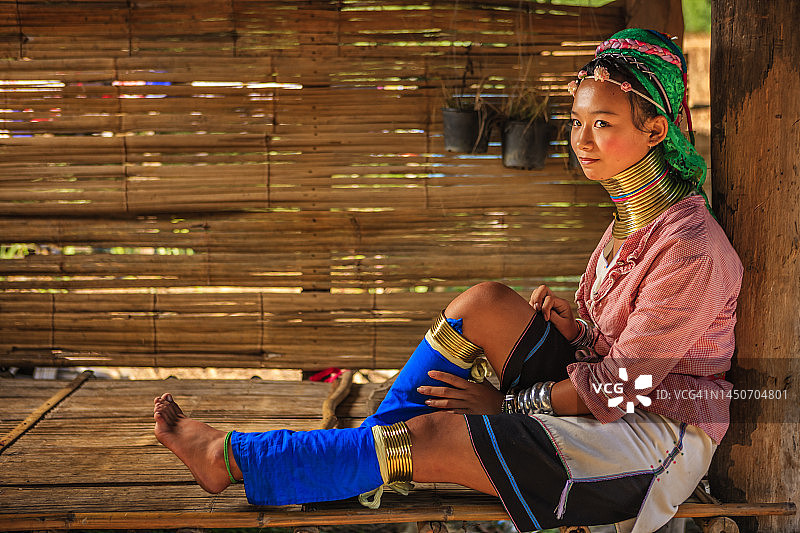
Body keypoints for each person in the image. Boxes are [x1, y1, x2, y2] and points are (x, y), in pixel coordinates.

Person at [153, 29, 743, 533]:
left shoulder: (692, 249)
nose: (581, 140)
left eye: (603, 124)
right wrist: (579, 329)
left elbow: (618, 392)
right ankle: (358, 462)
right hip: (605, 396)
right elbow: (616, 354)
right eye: (577, 122)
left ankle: (232, 460)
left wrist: (506, 405)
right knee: (486, 303)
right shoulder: (628, 225)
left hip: (652, 438)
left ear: (657, 131)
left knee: (435, 437)